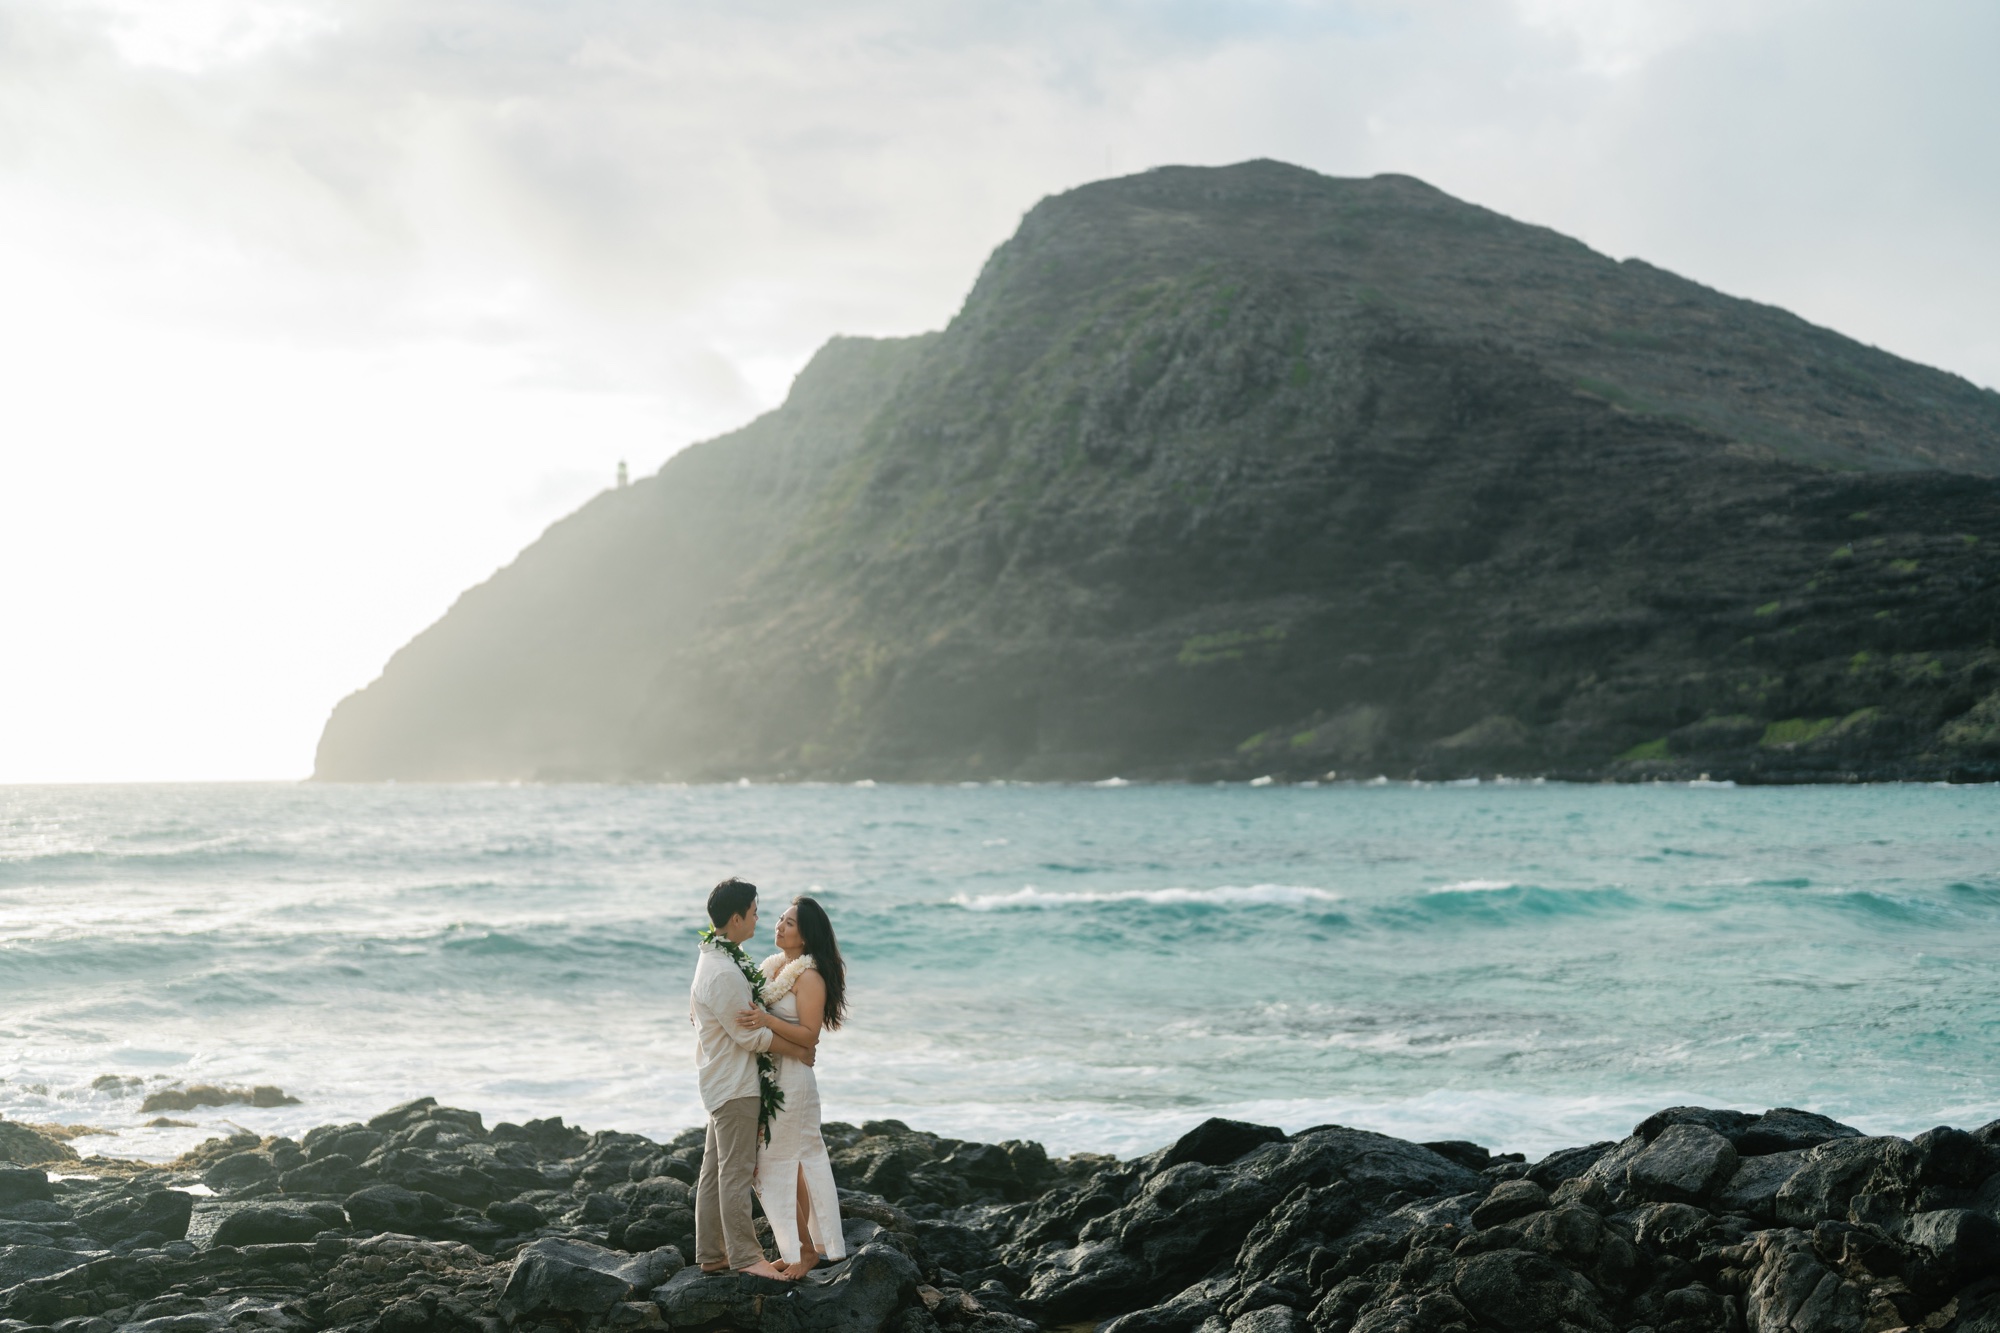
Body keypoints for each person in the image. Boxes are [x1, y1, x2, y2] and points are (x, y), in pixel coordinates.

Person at [690, 877, 816, 1280]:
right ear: (736, 917)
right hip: (735, 1085)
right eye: (756, 912)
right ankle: (745, 1256)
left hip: (722, 1079)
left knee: (715, 1169)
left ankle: (712, 1254)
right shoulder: (723, 970)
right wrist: (797, 1049)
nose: (761, 919)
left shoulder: (719, 959)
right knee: (736, 1172)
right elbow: (749, 1035)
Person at [738, 895, 849, 1278]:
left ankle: (806, 1251)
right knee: (785, 1165)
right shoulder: (771, 970)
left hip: (794, 1083)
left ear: (805, 937)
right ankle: (799, 1247)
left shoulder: (809, 976)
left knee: (783, 1164)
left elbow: (809, 1036)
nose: (778, 926)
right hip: (771, 1077)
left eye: (789, 923)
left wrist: (766, 1021)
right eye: (779, 919)